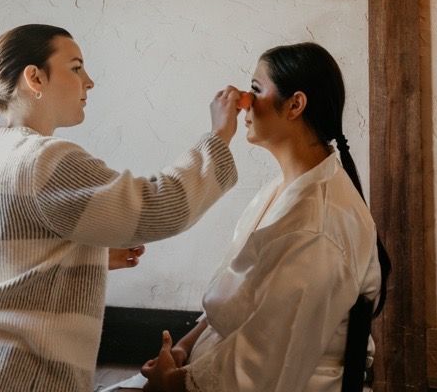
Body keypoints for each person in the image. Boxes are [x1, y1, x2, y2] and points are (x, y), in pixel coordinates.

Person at [0, 24, 241, 392]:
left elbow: (14, 263)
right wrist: (219, 137)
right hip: (15, 379)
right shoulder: (42, 159)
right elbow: (160, 206)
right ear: (35, 78)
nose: (89, 82)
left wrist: (87, 254)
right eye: (76, 68)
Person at [140, 42, 391, 392]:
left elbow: (267, 367)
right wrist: (184, 348)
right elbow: (242, 304)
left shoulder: (317, 226)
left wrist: (173, 383)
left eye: (255, 89)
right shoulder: (285, 189)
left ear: (295, 105)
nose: (243, 100)